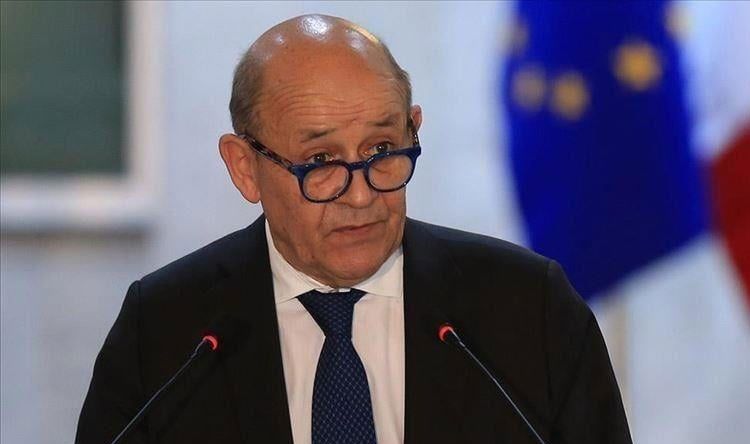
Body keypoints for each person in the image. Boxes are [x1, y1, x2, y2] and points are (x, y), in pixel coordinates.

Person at [76, 14, 632, 444]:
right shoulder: (167, 332)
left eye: (382, 149)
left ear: (413, 128)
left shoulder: (529, 309)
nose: (361, 194)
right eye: (320, 161)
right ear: (245, 167)